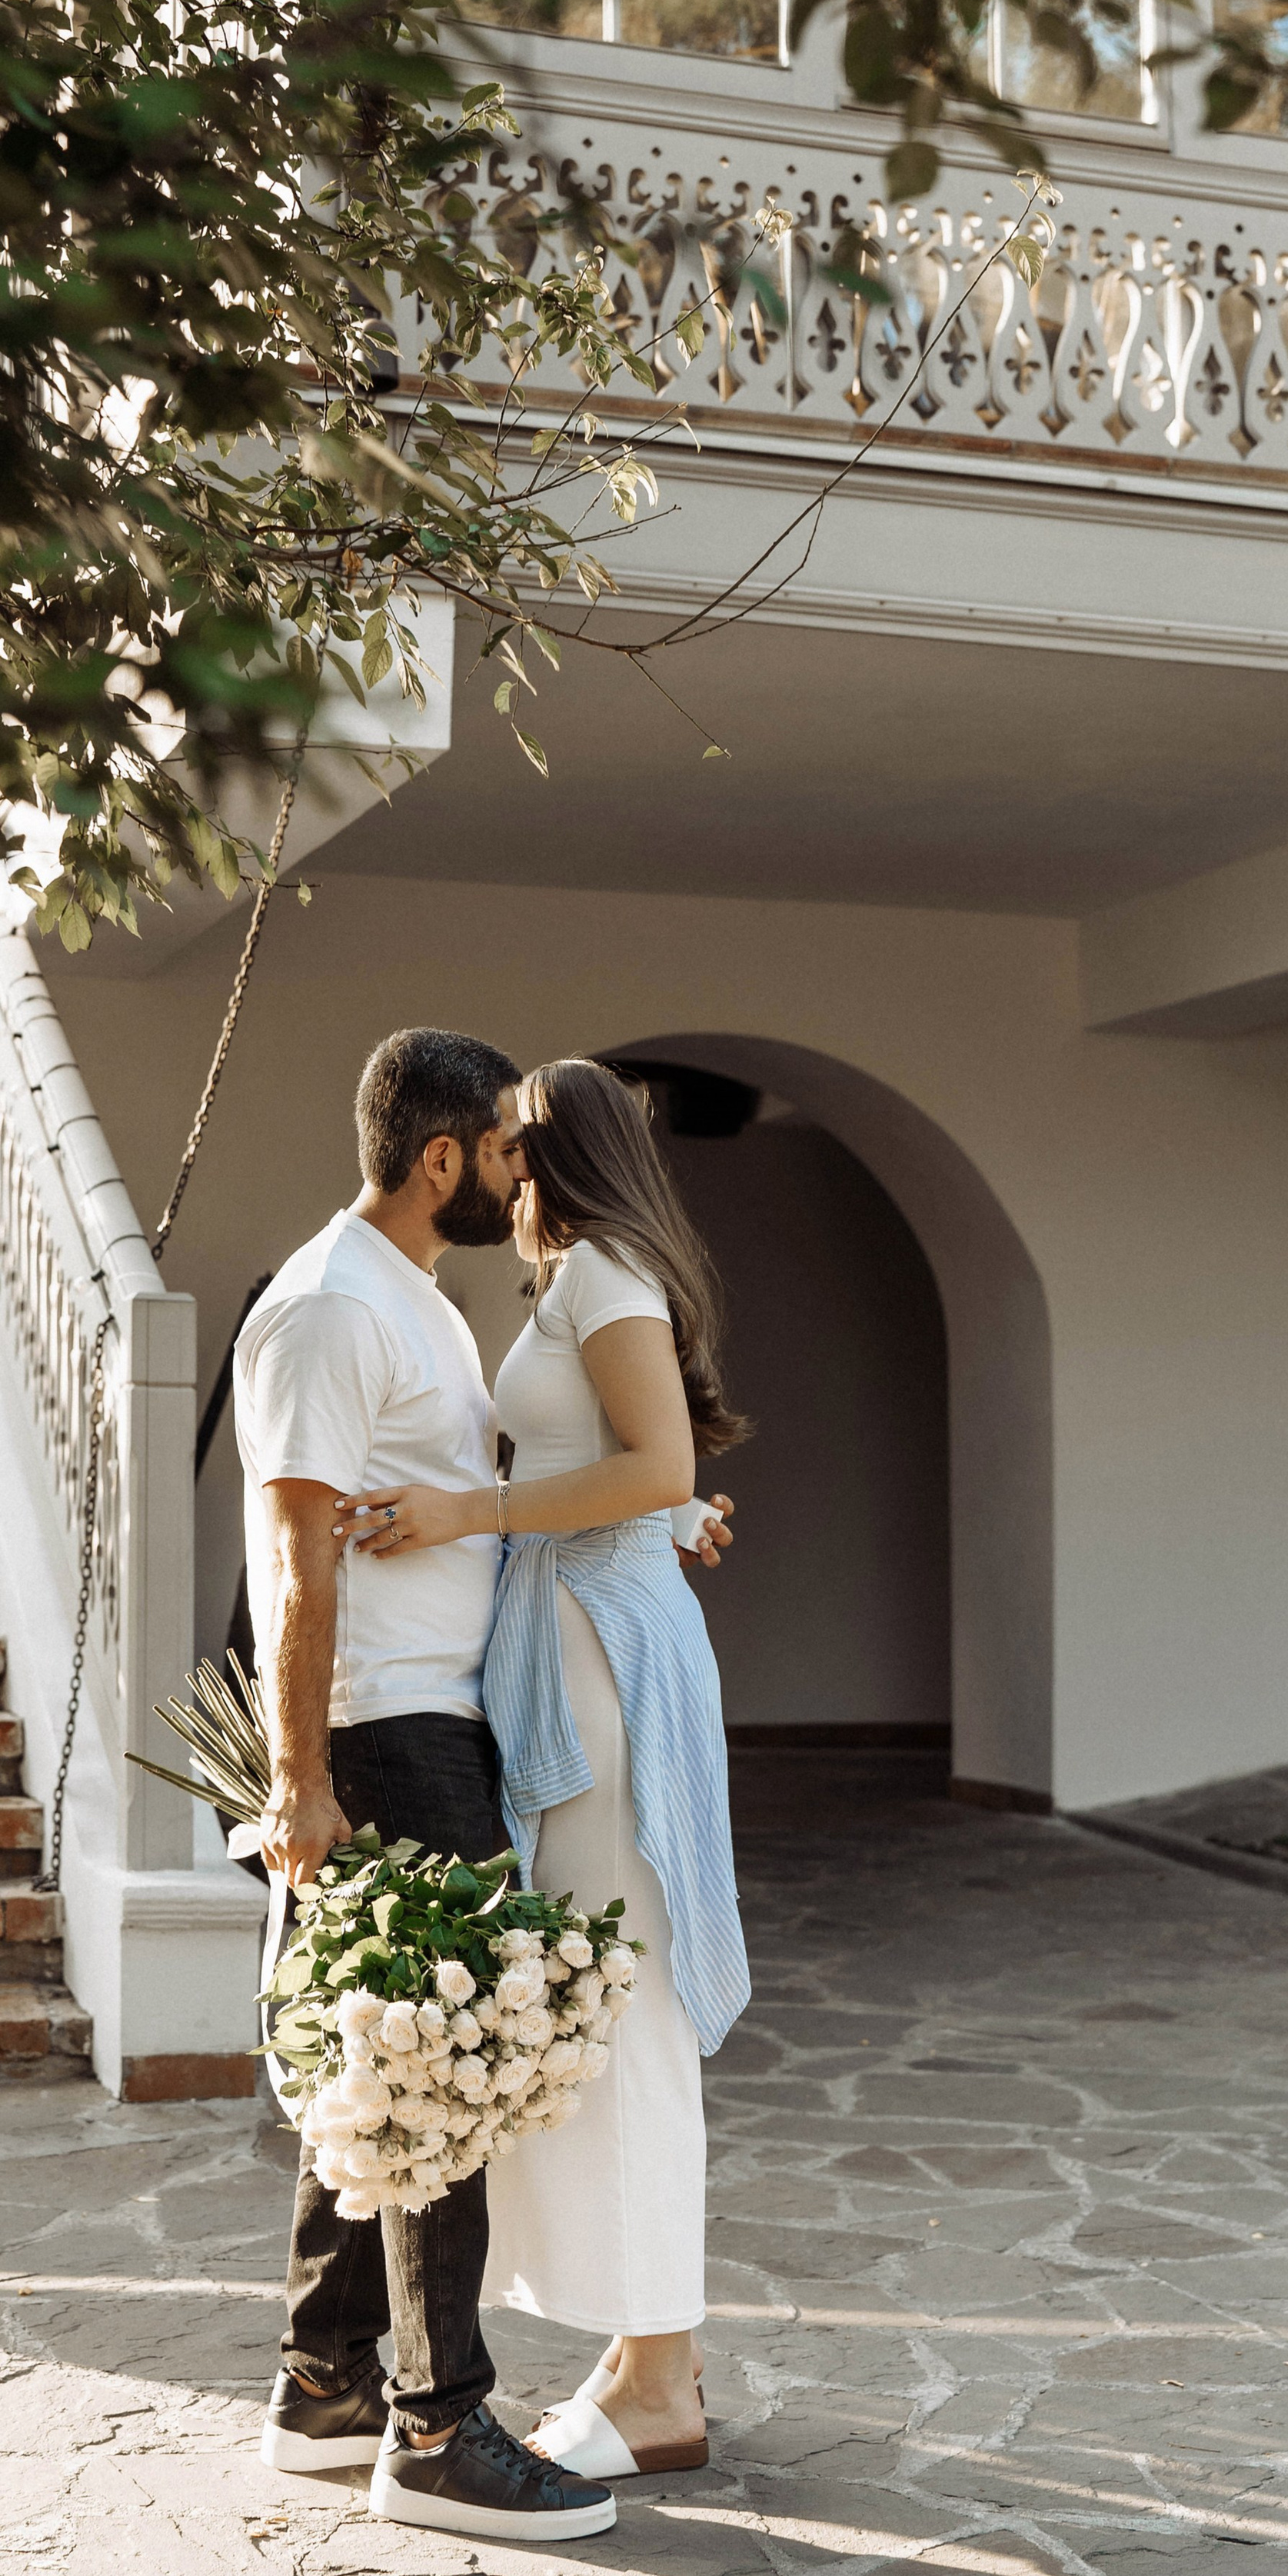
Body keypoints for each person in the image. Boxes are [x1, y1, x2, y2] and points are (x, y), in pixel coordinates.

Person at [235, 1028, 730, 2543]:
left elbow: (513, 1493)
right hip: (389, 1724)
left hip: (454, 1713)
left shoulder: (427, 1304)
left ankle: (325, 2381)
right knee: (435, 2068)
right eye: (503, 1147)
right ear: (442, 1157)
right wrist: (298, 1773)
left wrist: (658, 1518)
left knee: (394, 2047)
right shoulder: (333, 1305)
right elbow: (297, 1549)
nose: (521, 1170)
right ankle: (438, 2429)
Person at [351, 1055, 751, 2485]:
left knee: (621, 1999)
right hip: (579, 1634)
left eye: (515, 1141)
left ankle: (659, 2377)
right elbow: (640, 1466)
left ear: (557, 1151)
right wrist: (667, 1515)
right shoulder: (581, 1278)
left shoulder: (605, 1273)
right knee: (600, 1994)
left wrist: (471, 1509)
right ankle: (654, 2357)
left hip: (602, 1660)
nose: (501, 1166)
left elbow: (654, 1462)